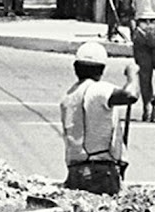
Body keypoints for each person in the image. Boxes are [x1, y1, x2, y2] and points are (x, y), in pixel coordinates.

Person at [59, 40, 137, 195]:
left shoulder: (69, 96)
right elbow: (131, 95)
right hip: (99, 173)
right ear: (101, 70)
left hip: (75, 171)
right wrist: (133, 75)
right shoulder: (97, 89)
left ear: (76, 68)